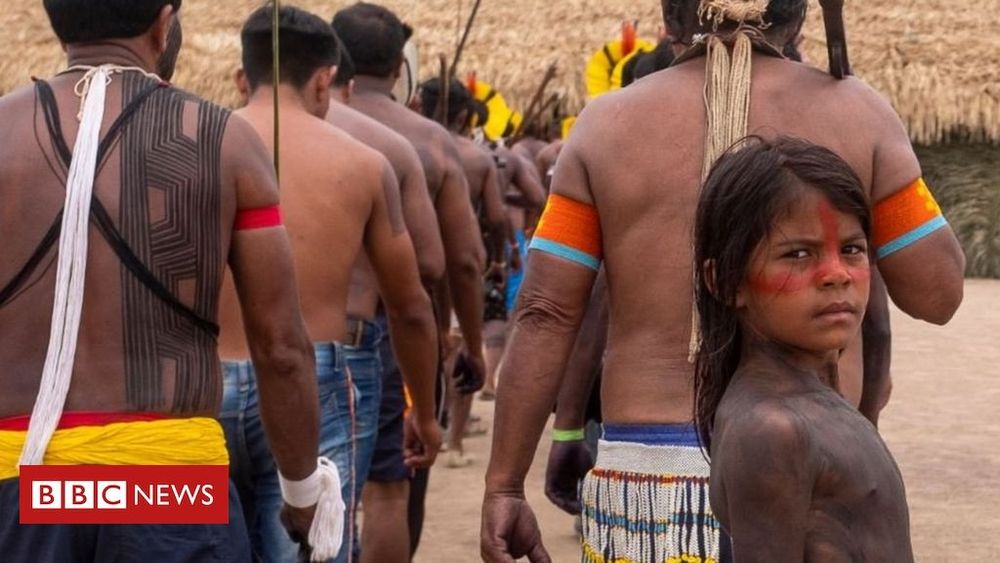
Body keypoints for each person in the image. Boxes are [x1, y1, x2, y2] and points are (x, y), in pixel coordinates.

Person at [481, 0, 965, 560]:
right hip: (811, 476)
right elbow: (938, 293)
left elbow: (546, 311)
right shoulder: (858, 112)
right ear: (800, 19)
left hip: (650, 484)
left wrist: (505, 484)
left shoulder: (606, 124)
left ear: (670, 24)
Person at [0, 0, 324, 560]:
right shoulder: (225, 141)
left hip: (23, 484)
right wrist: (301, 492)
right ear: (163, 23)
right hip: (170, 487)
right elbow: (281, 348)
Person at [217, 6, 440, 562]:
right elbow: (410, 306)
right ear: (325, 80)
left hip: (203, 384)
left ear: (242, 77)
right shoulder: (364, 163)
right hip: (311, 387)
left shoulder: (193, 149)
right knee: (311, 549)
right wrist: (425, 412)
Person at [693, 137, 912, 560]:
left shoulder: (819, 404)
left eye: (851, 249)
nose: (836, 275)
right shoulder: (772, 429)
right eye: (797, 254)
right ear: (724, 282)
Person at [332, 4, 488, 559]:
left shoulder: (282, 128)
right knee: (390, 488)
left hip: (279, 333)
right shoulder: (427, 142)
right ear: (400, 67)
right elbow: (458, 262)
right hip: (381, 333)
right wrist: (469, 343)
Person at [325, 46, 452, 563]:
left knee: (279, 498)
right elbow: (438, 267)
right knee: (381, 488)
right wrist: (425, 408)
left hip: (254, 347)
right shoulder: (393, 148)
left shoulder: (234, 138)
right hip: (358, 338)